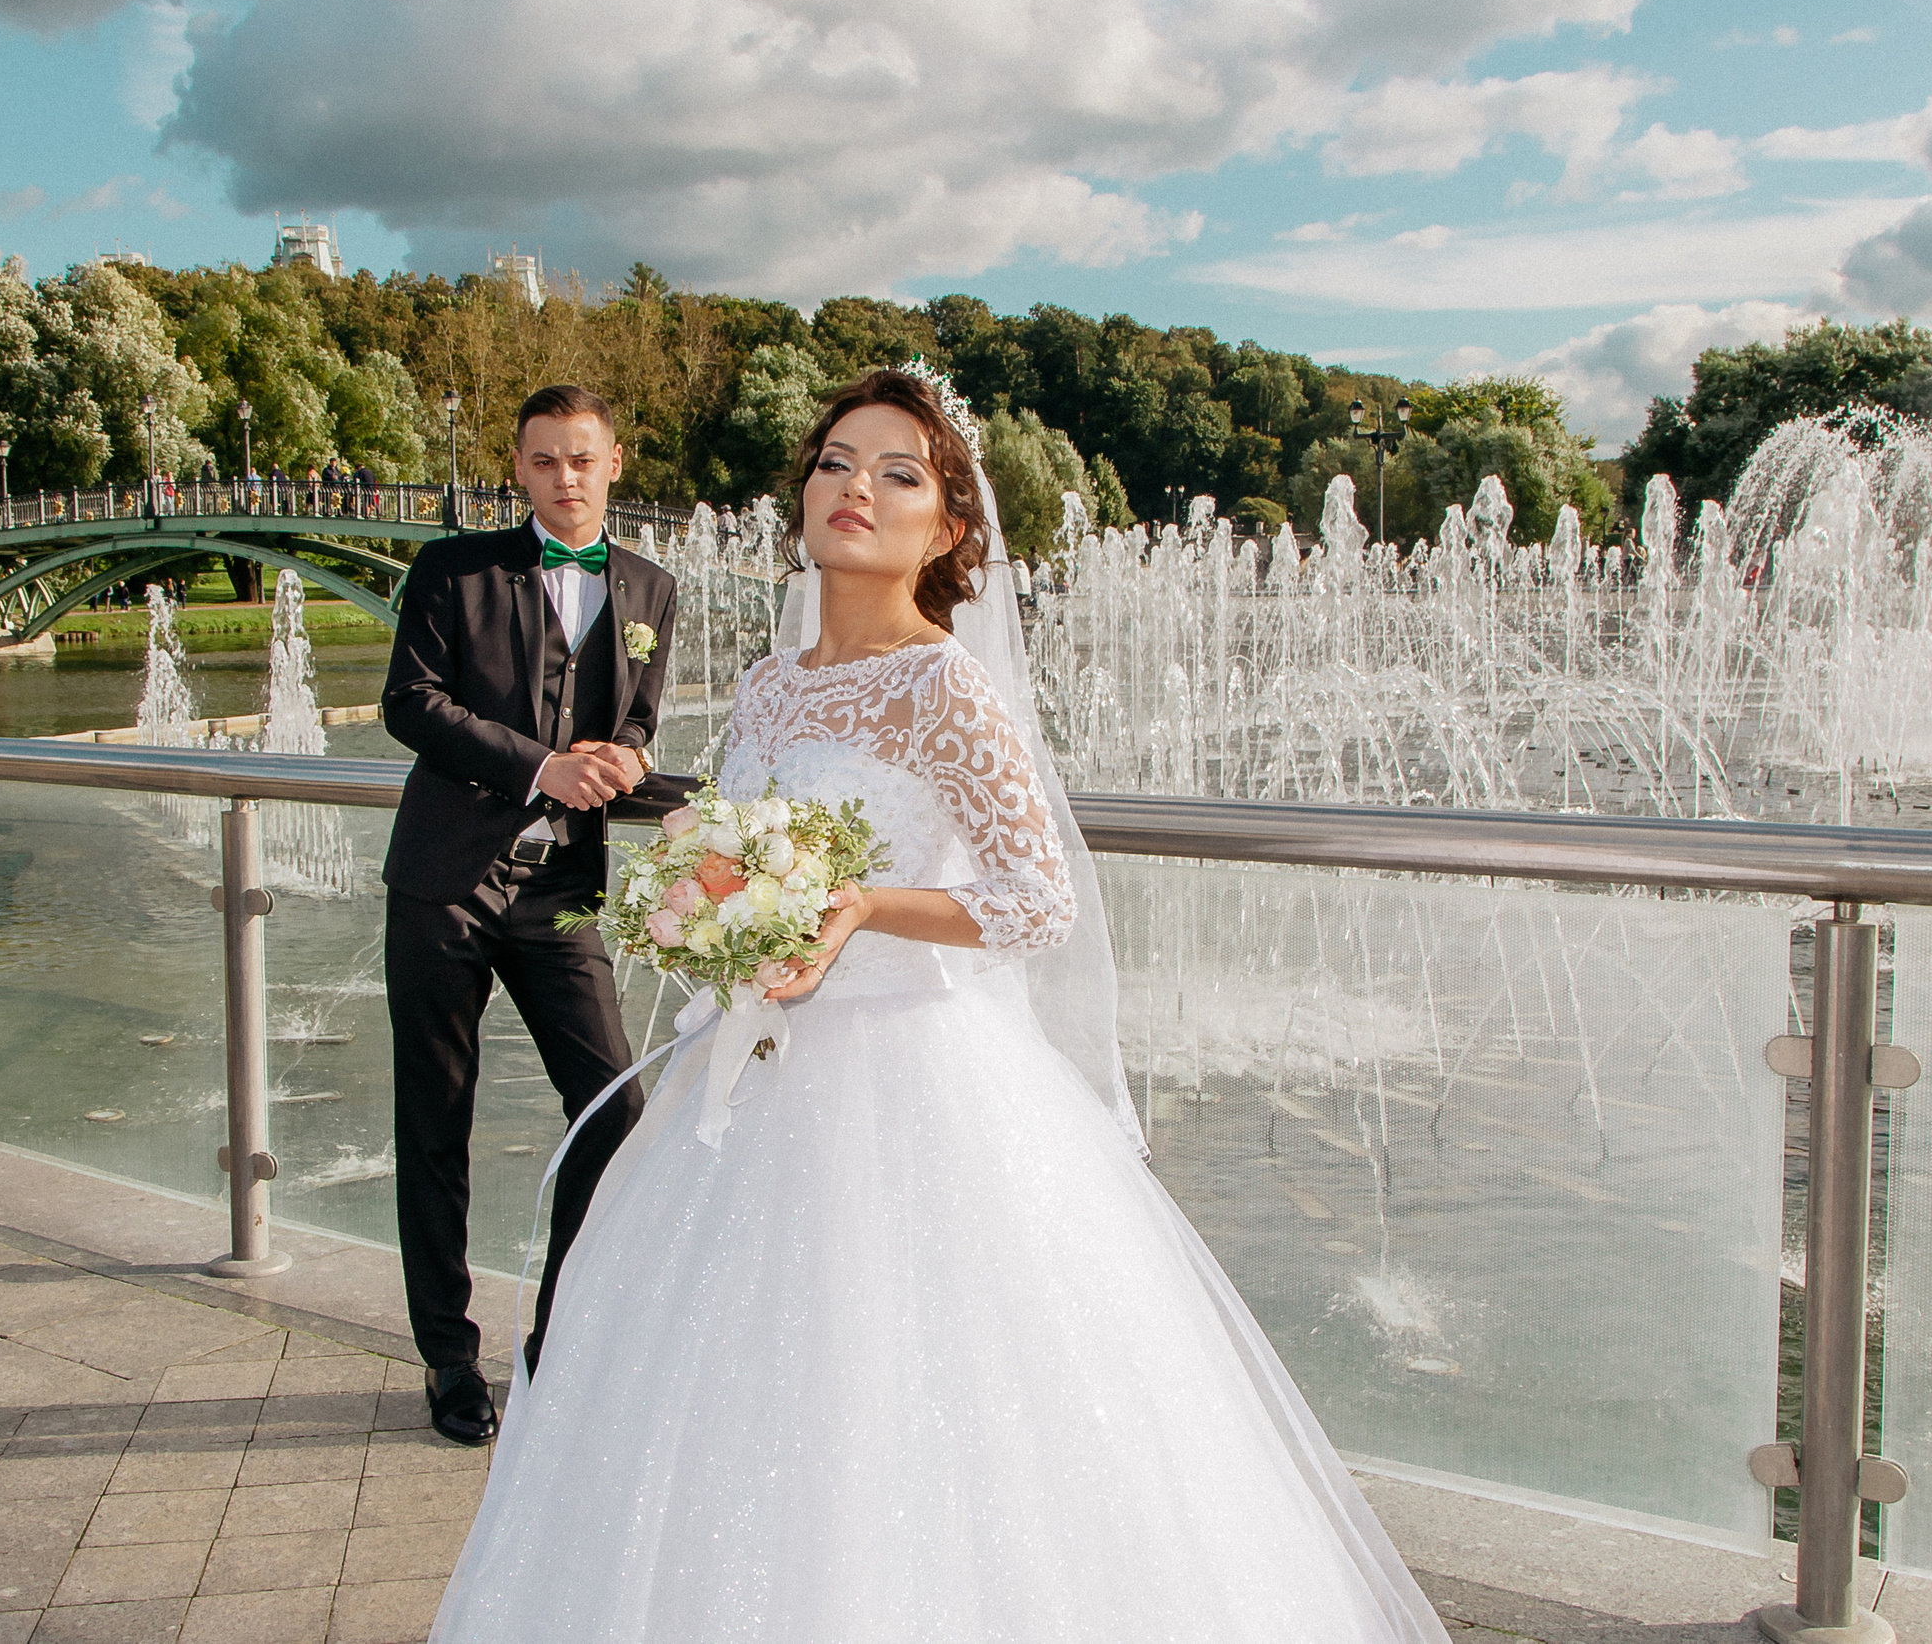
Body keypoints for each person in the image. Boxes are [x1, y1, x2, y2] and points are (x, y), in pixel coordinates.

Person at [429, 366, 1448, 1643]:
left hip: (912, 1085)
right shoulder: (767, 682)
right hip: (749, 1085)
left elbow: (1036, 900)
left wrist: (860, 909)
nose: (856, 487)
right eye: (834, 463)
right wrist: (710, 903)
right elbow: (738, 845)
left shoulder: (942, 685)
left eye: (897, 473)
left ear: (950, 528)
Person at [380, 384, 678, 1447]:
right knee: (437, 1122)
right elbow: (410, 704)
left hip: (560, 894)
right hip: (444, 883)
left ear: (614, 463)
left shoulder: (651, 587)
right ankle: (448, 1362)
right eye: (545, 459)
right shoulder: (451, 572)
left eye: (582, 458)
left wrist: (631, 758)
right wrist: (544, 764)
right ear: (519, 467)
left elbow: (635, 722)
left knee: (613, 1105)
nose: (565, 476)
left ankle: (556, 1343)